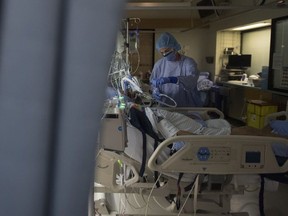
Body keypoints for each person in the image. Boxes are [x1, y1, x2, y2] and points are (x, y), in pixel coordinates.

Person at [150, 32, 204, 107]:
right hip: (165, 106)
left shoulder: (188, 62)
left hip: (187, 107)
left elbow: (192, 80)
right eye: (162, 52)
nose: (164, 54)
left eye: (167, 51)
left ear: (175, 48)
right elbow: (153, 83)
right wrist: (155, 91)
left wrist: (173, 79)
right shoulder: (159, 65)